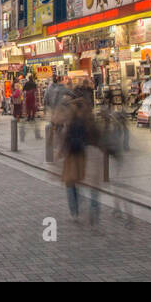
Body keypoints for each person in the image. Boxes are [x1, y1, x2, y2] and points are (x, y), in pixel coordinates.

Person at [60, 92, 99, 224]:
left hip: (74, 155)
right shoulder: (90, 119)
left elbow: (68, 139)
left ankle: (75, 212)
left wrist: (61, 151)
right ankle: (93, 210)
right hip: (87, 154)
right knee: (88, 183)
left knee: (71, 184)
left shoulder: (73, 121)